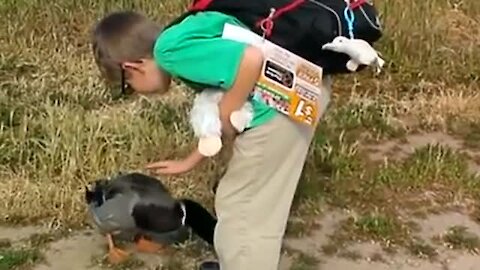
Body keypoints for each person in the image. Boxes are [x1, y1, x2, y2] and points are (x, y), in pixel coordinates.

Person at [91, 9, 332, 270]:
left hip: (276, 113)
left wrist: (228, 111)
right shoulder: (186, 30)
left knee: (242, 214)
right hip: (300, 94)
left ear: (132, 67)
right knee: (253, 205)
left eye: (129, 87)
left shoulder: (170, 52)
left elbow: (250, 59)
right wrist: (189, 161)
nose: (138, 94)